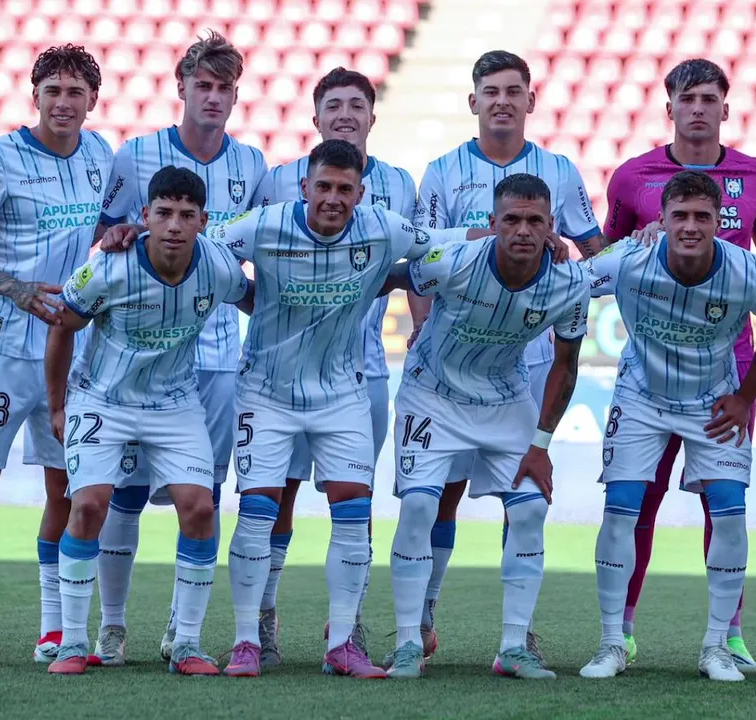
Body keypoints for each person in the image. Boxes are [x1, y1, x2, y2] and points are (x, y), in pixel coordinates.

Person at [202, 139, 472, 678]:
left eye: (344, 189)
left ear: (360, 193)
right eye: (323, 186)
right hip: (266, 392)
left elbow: (446, 240)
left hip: (342, 392)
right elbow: (200, 247)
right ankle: (246, 641)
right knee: (257, 511)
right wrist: (131, 234)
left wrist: (518, 235)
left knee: (352, 510)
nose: (332, 198)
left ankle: (343, 643)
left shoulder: (382, 227)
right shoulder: (263, 225)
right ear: (304, 187)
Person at [412, 49, 602, 661]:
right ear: (474, 101)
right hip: (453, 355)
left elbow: (592, 249)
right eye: (490, 91)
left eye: (513, 91)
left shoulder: (559, 170)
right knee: (441, 490)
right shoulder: (442, 171)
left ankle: (518, 634)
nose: (502, 101)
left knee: (522, 493)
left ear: (530, 100)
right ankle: (424, 613)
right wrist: (421, 325)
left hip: (531, 355)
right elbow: (421, 258)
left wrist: (570, 257)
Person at [599, 58, 756, 671]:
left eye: (709, 98)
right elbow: (608, 255)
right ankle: (622, 631)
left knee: (723, 503)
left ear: (725, 108)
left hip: (729, 367)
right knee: (640, 498)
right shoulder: (633, 176)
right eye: (688, 98)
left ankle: (728, 636)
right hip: (653, 365)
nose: (699, 108)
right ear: (671, 107)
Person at [87, 31, 267, 666]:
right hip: (141, 358)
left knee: (203, 498)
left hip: (217, 356)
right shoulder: (136, 155)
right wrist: (116, 233)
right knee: (126, 495)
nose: (213, 97)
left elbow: (259, 250)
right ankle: (112, 626)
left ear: (236, 96)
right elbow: (105, 233)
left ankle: (179, 629)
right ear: (182, 88)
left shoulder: (253, 165)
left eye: (224, 88)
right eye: (203, 85)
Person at [42, 167, 254, 675]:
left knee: (200, 508)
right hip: (102, 400)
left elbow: (258, 300)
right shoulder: (108, 267)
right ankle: (74, 642)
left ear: (203, 221)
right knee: (88, 506)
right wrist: (57, 406)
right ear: (146, 216)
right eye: (164, 213)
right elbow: (62, 326)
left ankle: (187, 644)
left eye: (186, 215)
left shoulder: (219, 267)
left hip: (175, 403)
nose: (174, 225)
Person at [379, 174, 589, 680]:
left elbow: (566, 367)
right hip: (432, 394)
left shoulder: (569, 284)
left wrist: (541, 445)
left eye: (535, 221)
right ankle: (408, 643)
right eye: (511, 219)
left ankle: (514, 647)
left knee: (531, 508)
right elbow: (396, 277)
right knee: (420, 506)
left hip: (505, 399)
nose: (523, 230)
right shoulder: (453, 261)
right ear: (492, 223)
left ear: (551, 227)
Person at [0, 44, 113, 668]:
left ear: (92, 101)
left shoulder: (101, 156)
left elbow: (104, 230)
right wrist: (17, 290)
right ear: (35, 95)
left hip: (71, 350)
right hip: (2, 350)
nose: (63, 102)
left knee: (65, 487)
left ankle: (52, 629)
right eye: (53, 91)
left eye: (75, 92)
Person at [250, 67, 417, 668]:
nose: (345, 114)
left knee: (354, 498)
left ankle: (346, 627)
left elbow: (414, 262)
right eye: (334, 105)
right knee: (278, 494)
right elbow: (243, 252)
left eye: (356, 105)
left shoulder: (399, 184)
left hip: (360, 370)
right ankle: (264, 618)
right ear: (316, 116)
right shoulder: (277, 180)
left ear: (373, 116)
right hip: (280, 373)